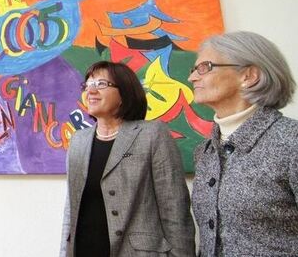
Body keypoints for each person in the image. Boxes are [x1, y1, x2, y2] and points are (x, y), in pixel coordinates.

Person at [60, 61, 195, 257]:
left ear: (124, 93)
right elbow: (70, 208)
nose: (91, 91)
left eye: (101, 84)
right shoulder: (78, 141)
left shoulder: (152, 134)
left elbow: (174, 207)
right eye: (88, 85)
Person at [188, 31, 298, 256]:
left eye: (205, 67)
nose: (192, 78)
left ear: (249, 75)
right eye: (193, 70)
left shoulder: (291, 141)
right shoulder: (205, 151)